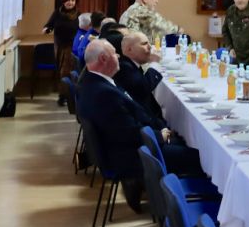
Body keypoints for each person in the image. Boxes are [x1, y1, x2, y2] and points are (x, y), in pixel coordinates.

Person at [76, 40, 203, 212]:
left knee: (186, 141)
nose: (118, 56)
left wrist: (159, 129)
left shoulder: (94, 82)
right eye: (115, 53)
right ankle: (191, 210)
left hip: (126, 147)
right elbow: (127, 134)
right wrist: (160, 135)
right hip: (130, 155)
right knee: (200, 156)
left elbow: (130, 117)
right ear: (103, 59)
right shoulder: (102, 92)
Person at [116, 31, 164, 122]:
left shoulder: (130, 64)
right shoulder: (125, 67)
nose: (150, 47)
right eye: (144, 44)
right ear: (129, 49)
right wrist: (154, 63)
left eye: (149, 43)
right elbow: (144, 88)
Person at [43, 0, 79, 106]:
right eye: (68, 0)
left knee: (66, 71)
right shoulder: (57, 13)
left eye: (73, 0)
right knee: (62, 70)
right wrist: (46, 29)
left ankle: (65, 96)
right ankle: (65, 95)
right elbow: (49, 25)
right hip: (59, 46)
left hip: (72, 47)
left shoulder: (78, 14)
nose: (70, 2)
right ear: (63, 1)